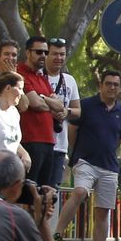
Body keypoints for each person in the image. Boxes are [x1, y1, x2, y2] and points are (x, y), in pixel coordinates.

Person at [55, 68, 121, 241]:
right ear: (101, 85)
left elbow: (120, 138)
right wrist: (79, 152)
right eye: (108, 83)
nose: (112, 87)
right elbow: (72, 130)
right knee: (80, 192)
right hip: (85, 161)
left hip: (109, 167)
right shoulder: (86, 105)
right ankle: (58, 234)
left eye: (115, 84)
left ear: (120, 88)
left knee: (103, 212)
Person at [16, 37, 63, 186]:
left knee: (45, 192)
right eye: (38, 52)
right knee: (29, 191)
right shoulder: (20, 73)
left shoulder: (42, 78)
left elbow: (60, 106)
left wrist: (42, 97)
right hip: (30, 141)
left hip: (49, 142)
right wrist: (47, 101)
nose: (43, 55)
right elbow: (34, 103)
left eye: (45, 52)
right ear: (28, 52)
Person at [45, 37, 80, 191]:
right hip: (39, 142)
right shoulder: (37, 77)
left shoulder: (69, 80)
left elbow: (78, 111)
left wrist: (66, 112)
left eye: (62, 54)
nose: (58, 58)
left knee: (52, 192)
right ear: (46, 55)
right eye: (54, 54)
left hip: (59, 147)